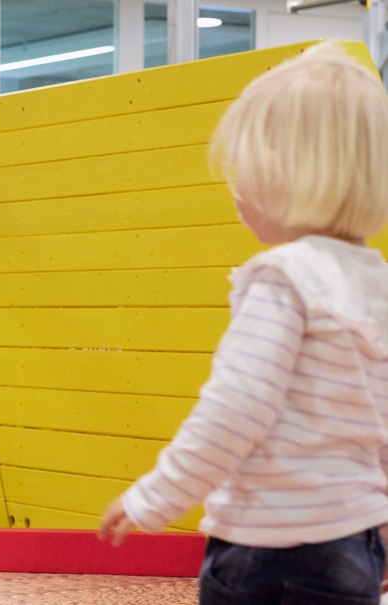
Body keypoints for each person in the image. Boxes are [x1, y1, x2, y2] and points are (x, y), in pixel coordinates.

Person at [97, 41, 388, 604]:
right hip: (354, 543)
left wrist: (154, 496)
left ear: (298, 175)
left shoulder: (282, 278)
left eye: (246, 168)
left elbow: (236, 408)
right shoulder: (374, 282)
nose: (235, 188)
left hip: (271, 547)